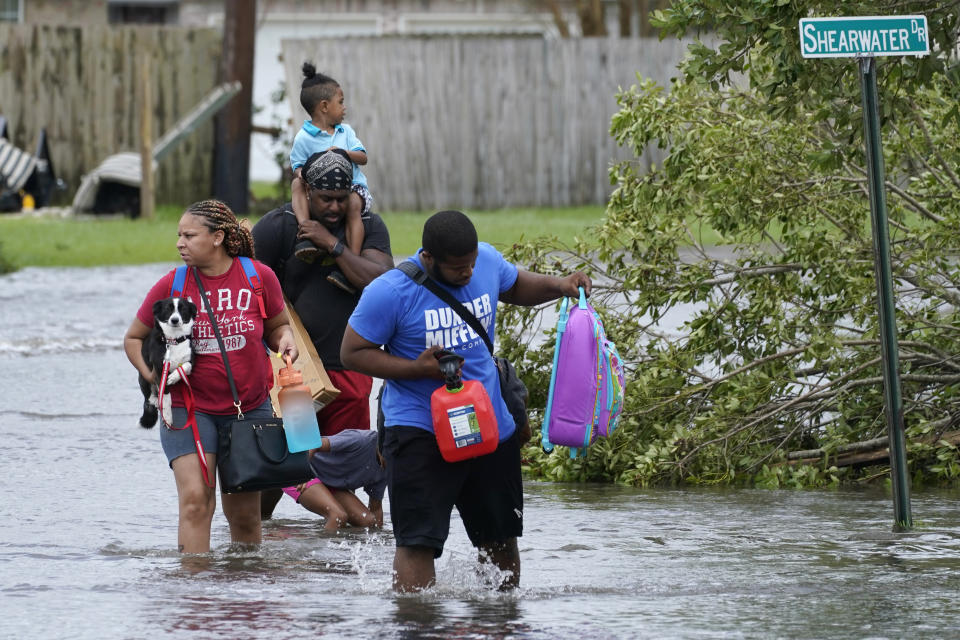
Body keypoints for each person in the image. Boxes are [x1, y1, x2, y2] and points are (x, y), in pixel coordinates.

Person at [340, 210, 592, 592]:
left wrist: (561, 285)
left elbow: (514, 285)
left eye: (472, 264)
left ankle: (500, 621)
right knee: (417, 543)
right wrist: (416, 369)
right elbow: (352, 353)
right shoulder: (390, 292)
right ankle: (416, 624)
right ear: (428, 258)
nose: (468, 274)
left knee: (500, 537)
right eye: (458, 268)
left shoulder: (485, 261)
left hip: (489, 426)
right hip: (419, 432)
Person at [123, 199, 296, 554]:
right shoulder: (173, 284)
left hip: (248, 411)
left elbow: (278, 326)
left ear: (217, 237)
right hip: (188, 409)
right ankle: (194, 589)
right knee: (195, 503)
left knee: (245, 515)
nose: (179, 243)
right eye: (179, 235)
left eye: (189, 235)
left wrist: (286, 341)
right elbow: (133, 338)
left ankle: (243, 592)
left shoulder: (258, 277)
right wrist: (153, 377)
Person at [252, 148, 393, 519]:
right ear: (307, 192)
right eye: (324, 198)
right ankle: (255, 537)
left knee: (341, 464)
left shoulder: (368, 225)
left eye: (340, 199)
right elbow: (249, 286)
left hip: (350, 368)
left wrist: (333, 244)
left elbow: (379, 281)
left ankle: (347, 537)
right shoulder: (278, 226)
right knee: (288, 458)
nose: (333, 207)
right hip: (292, 374)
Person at [289, 62, 372, 296]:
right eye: (341, 102)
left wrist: (342, 153)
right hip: (318, 192)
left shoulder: (346, 133)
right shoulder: (303, 138)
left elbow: (363, 158)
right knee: (297, 183)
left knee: (354, 203)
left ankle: (350, 264)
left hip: (351, 188)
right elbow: (297, 168)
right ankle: (305, 233)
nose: (344, 108)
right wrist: (310, 173)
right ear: (324, 106)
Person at [281, 429, 386, 530]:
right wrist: (301, 472)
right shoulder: (361, 440)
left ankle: (337, 545)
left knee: (368, 522)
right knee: (338, 516)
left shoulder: (389, 467)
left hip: (329, 483)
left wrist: (380, 539)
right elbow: (314, 445)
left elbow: (376, 508)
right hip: (300, 468)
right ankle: (322, 548)